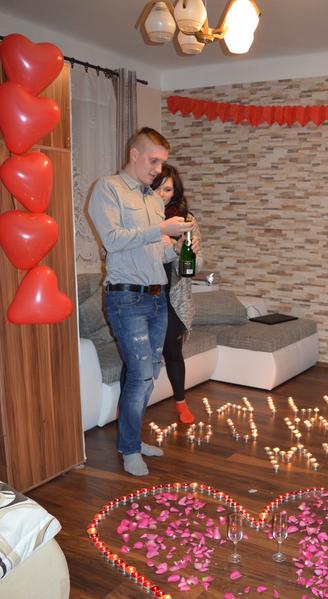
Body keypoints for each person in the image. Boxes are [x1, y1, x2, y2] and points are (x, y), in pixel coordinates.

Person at [88, 127, 194, 477]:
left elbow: (154, 251)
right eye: (154, 161)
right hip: (126, 298)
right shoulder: (108, 188)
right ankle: (130, 448)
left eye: (162, 163)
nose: (158, 169)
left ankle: (132, 438)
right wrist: (161, 230)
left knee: (149, 375)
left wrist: (177, 247)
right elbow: (113, 239)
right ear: (134, 154)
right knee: (140, 374)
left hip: (157, 298)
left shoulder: (152, 199)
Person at [151, 164, 203, 424]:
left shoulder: (186, 221)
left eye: (168, 189)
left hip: (174, 298)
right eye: (157, 188)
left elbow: (197, 264)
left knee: (173, 352)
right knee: (139, 358)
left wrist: (188, 252)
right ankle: (128, 408)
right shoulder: (143, 220)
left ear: (176, 191)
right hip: (145, 296)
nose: (162, 195)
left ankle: (181, 403)